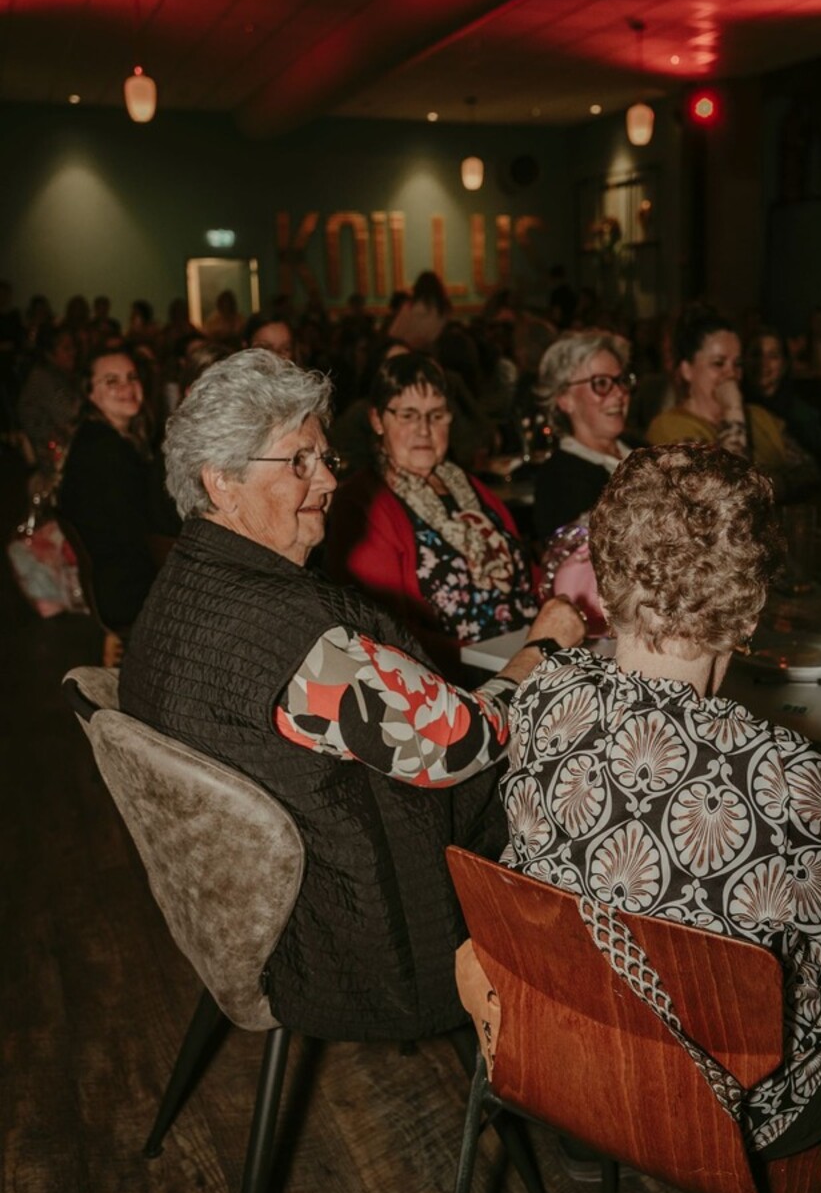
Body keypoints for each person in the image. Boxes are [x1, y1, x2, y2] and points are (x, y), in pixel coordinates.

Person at [119, 349, 582, 1042]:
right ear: (222, 481)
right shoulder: (288, 635)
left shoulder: (182, 582)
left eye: (326, 458)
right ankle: (590, 1044)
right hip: (353, 942)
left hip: (253, 917)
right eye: (299, 461)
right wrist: (544, 647)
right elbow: (460, 741)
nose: (329, 478)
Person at [500, 444, 821, 1159]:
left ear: (604, 578)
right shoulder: (782, 775)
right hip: (727, 1114)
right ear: (749, 610)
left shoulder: (540, 698)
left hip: (566, 1054)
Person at [326, 352, 538, 677]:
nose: (424, 429)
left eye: (436, 415)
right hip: (450, 677)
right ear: (377, 420)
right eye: (408, 415)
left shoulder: (469, 487)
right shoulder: (360, 503)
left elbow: (529, 575)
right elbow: (384, 633)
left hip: (526, 654)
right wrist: (492, 660)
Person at [648, 306, 818, 501]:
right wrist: (732, 410)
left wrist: (762, 485)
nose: (731, 374)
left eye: (737, 364)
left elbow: (809, 471)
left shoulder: (758, 415)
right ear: (687, 370)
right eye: (718, 363)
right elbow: (730, 494)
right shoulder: (668, 426)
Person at [58, 348, 166, 630]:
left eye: (132, 377)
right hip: (130, 591)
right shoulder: (106, 452)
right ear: (90, 393)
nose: (127, 387)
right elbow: (148, 529)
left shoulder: (97, 437)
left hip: (116, 581)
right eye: (112, 381)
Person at [533, 329, 635, 541]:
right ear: (564, 399)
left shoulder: (645, 450)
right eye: (601, 383)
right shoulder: (559, 480)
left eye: (621, 380)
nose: (619, 393)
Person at [744, 325, 821, 458]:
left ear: (784, 364)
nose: (763, 362)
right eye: (756, 354)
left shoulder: (803, 417)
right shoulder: (732, 410)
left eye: (773, 356)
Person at [16, 324, 82, 474]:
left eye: (74, 347)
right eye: (66, 348)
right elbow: (71, 416)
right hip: (53, 456)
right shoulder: (43, 380)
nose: (73, 352)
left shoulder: (62, 376)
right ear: (49, 353)